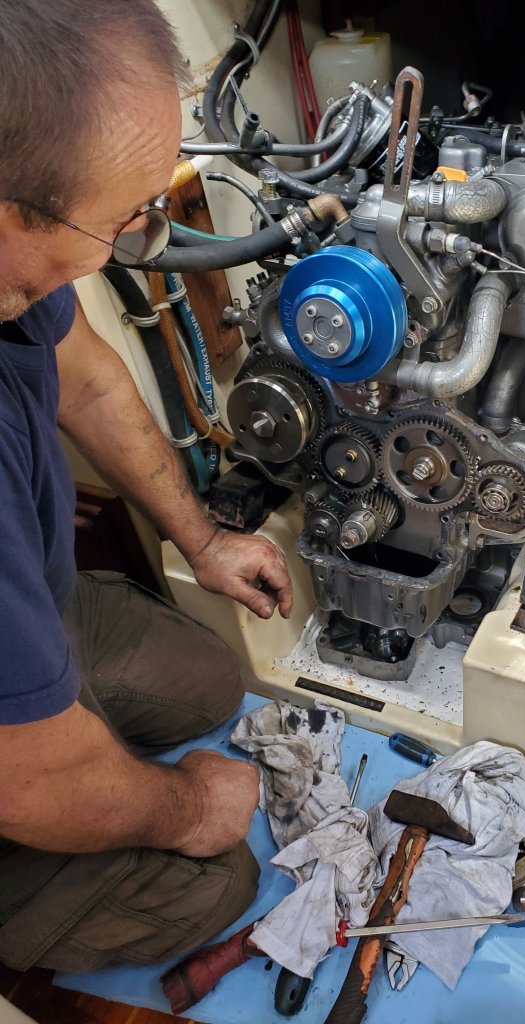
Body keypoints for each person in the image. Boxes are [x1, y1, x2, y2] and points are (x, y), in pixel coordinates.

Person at [0, 0, 293, 973]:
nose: (144, 232)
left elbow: (86, 378)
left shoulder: (20, 281)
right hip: (11, 769)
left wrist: (202, 540)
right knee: (217, 881)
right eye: (123, 215)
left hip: (36, 611)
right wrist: (193, 806)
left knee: (210, 682)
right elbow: (26, 781)